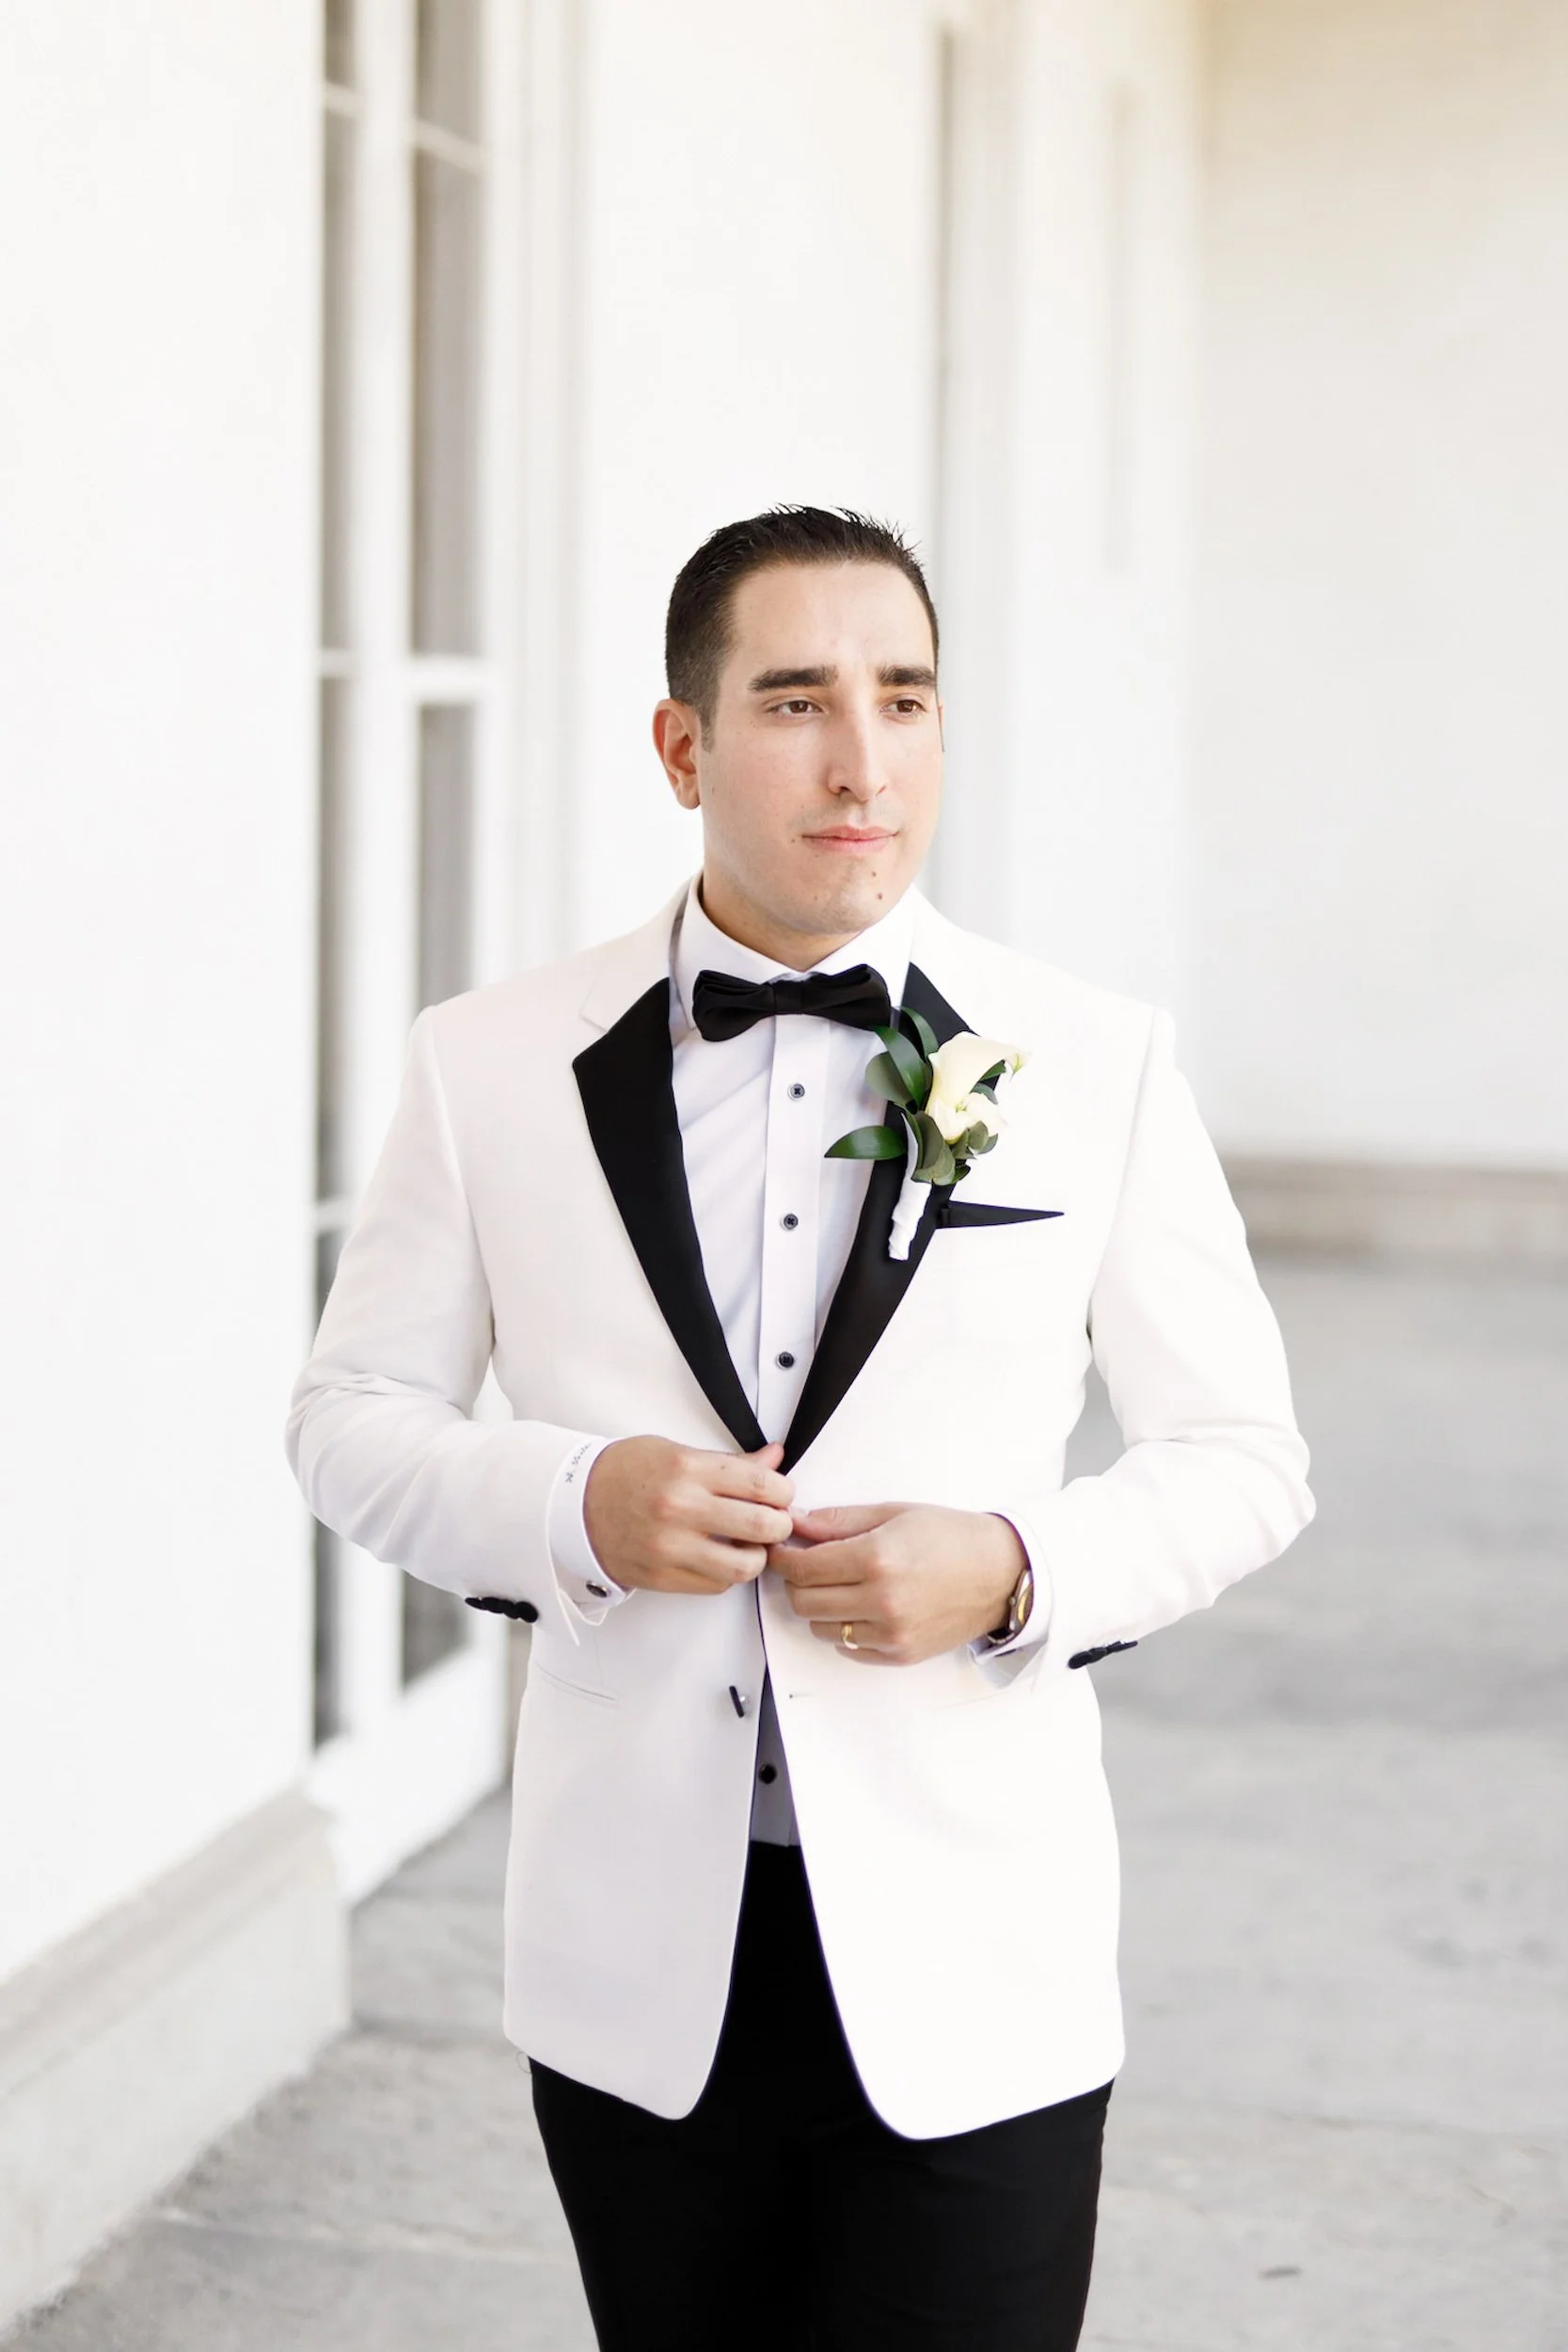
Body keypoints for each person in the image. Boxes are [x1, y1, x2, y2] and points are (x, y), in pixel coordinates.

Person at [287, 504, 1313, 2349]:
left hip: (973, 1956)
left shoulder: (1085, 1060)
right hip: (634, 1960)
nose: (862, 760)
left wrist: (1013, 1563)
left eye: (903, 697)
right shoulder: (490, 1059)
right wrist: (568, 1498)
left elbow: (1240, 1451)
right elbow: (350, 1418)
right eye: (794, 700)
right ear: (681, 744)